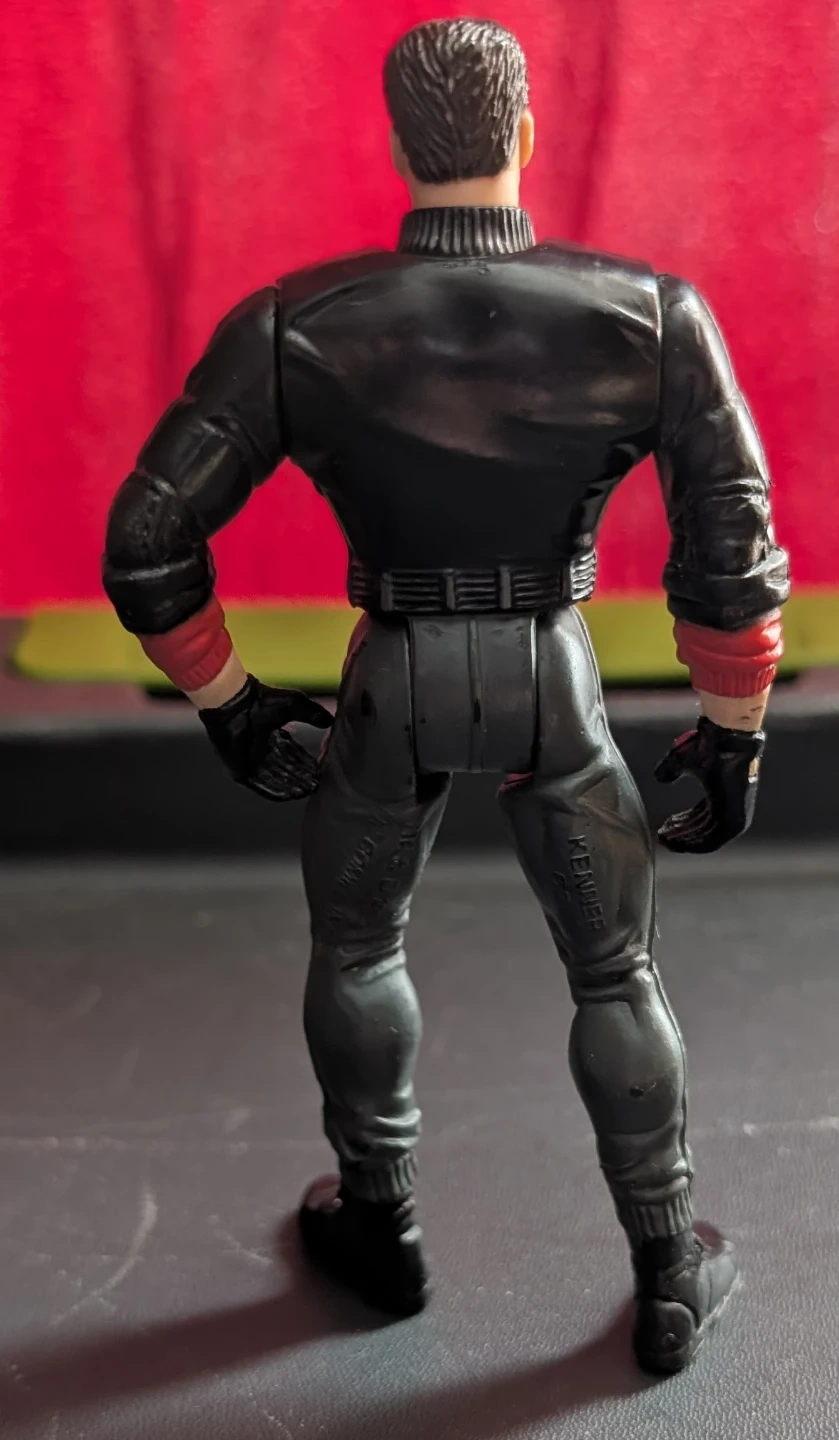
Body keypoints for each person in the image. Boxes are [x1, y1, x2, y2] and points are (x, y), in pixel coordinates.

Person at [102, 18, 789, 1374]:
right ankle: (664, 1266)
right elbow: (730, 546)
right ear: (523, 132)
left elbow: (146, 538)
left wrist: (230, 699)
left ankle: (382, 1226)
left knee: (358, 952)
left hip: (393, 677)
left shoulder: (297, 324)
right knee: (615, 970)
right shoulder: (649, 314)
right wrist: (732, 733)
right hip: (550, 675)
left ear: (398, 143)